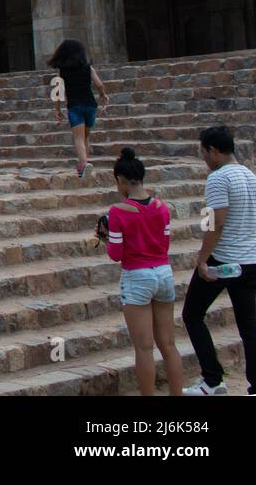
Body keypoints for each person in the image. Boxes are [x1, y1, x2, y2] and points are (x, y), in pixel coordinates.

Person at [95, 148, 183, 395]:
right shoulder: (161, 207)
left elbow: (116, 254)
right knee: (168, 344)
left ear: (120, 180)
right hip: (163, 273)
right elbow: (165, 244)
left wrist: (104, 239)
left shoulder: (118, 212)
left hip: (137, 277)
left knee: (144, 348)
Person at [181, 125, 256, 396]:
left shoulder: (219, 178)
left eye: (203, 153)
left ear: (214, 151)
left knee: (191, 314)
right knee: (249, 327)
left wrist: (202, 260)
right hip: (250, 260)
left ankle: (212, 380)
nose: (203, 158)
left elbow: (216, 223)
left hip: (223, 259)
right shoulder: (251, 176)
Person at [48, 39, 109, 178]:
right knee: (86, 136)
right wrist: (103, 95)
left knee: (78, 137)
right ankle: (85, 163)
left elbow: (58, 93)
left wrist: (57, 110)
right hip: (90, 106)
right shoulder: (88, 68)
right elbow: (99, 84)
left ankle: (83, 163)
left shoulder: (61, 72)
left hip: (75, 107)